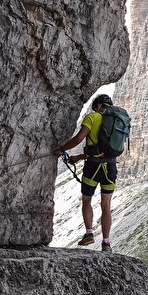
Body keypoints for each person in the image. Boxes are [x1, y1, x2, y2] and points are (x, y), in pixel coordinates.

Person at [54, 93, 119, 252]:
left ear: (97, 106)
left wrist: (62, 149)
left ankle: (89, 233)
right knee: (106, 205)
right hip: (110, 167)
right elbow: (105, 150)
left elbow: (78, 139)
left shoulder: (92, 117)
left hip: (93, 167)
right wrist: (79, 157)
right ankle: (106, 243)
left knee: (87, 200)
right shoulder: (116, 121)